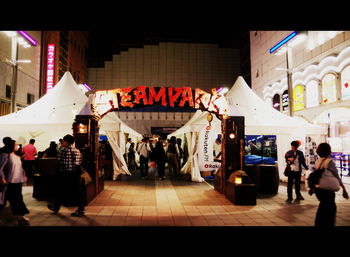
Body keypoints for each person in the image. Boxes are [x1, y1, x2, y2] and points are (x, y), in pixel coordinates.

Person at [47, 134, 86, 217]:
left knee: (60, 191)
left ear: (67, 142)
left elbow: (60, 162)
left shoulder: (63, 150)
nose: (62, 143)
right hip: (76, 175)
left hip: (65, 174)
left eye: (63, 141)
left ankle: (56, 207)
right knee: (78, 192)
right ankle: (81, 209)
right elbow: (79, 162)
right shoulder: (77, 150)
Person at [312, 143, 349, 228]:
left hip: (319, 190)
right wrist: (344, 189)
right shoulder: (329, 162)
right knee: (330, 209)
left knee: (322, 207)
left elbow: (316, 175)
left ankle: (319, 224)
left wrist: (312, 188)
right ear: (328, 151)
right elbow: (336, 176)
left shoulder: (318, 161)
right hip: (327, 190)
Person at [0, 139, 30, 226]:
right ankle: (20, 217)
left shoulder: (17, 156)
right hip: (9, 182)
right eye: (15, 145)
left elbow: (20, 168)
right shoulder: (5, 155)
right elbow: (0, 168)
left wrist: (23, 176)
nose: (17, 146)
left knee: (18, 200)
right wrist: (2, 178)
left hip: (17, 182)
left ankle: (20, 217)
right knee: (3, 201)